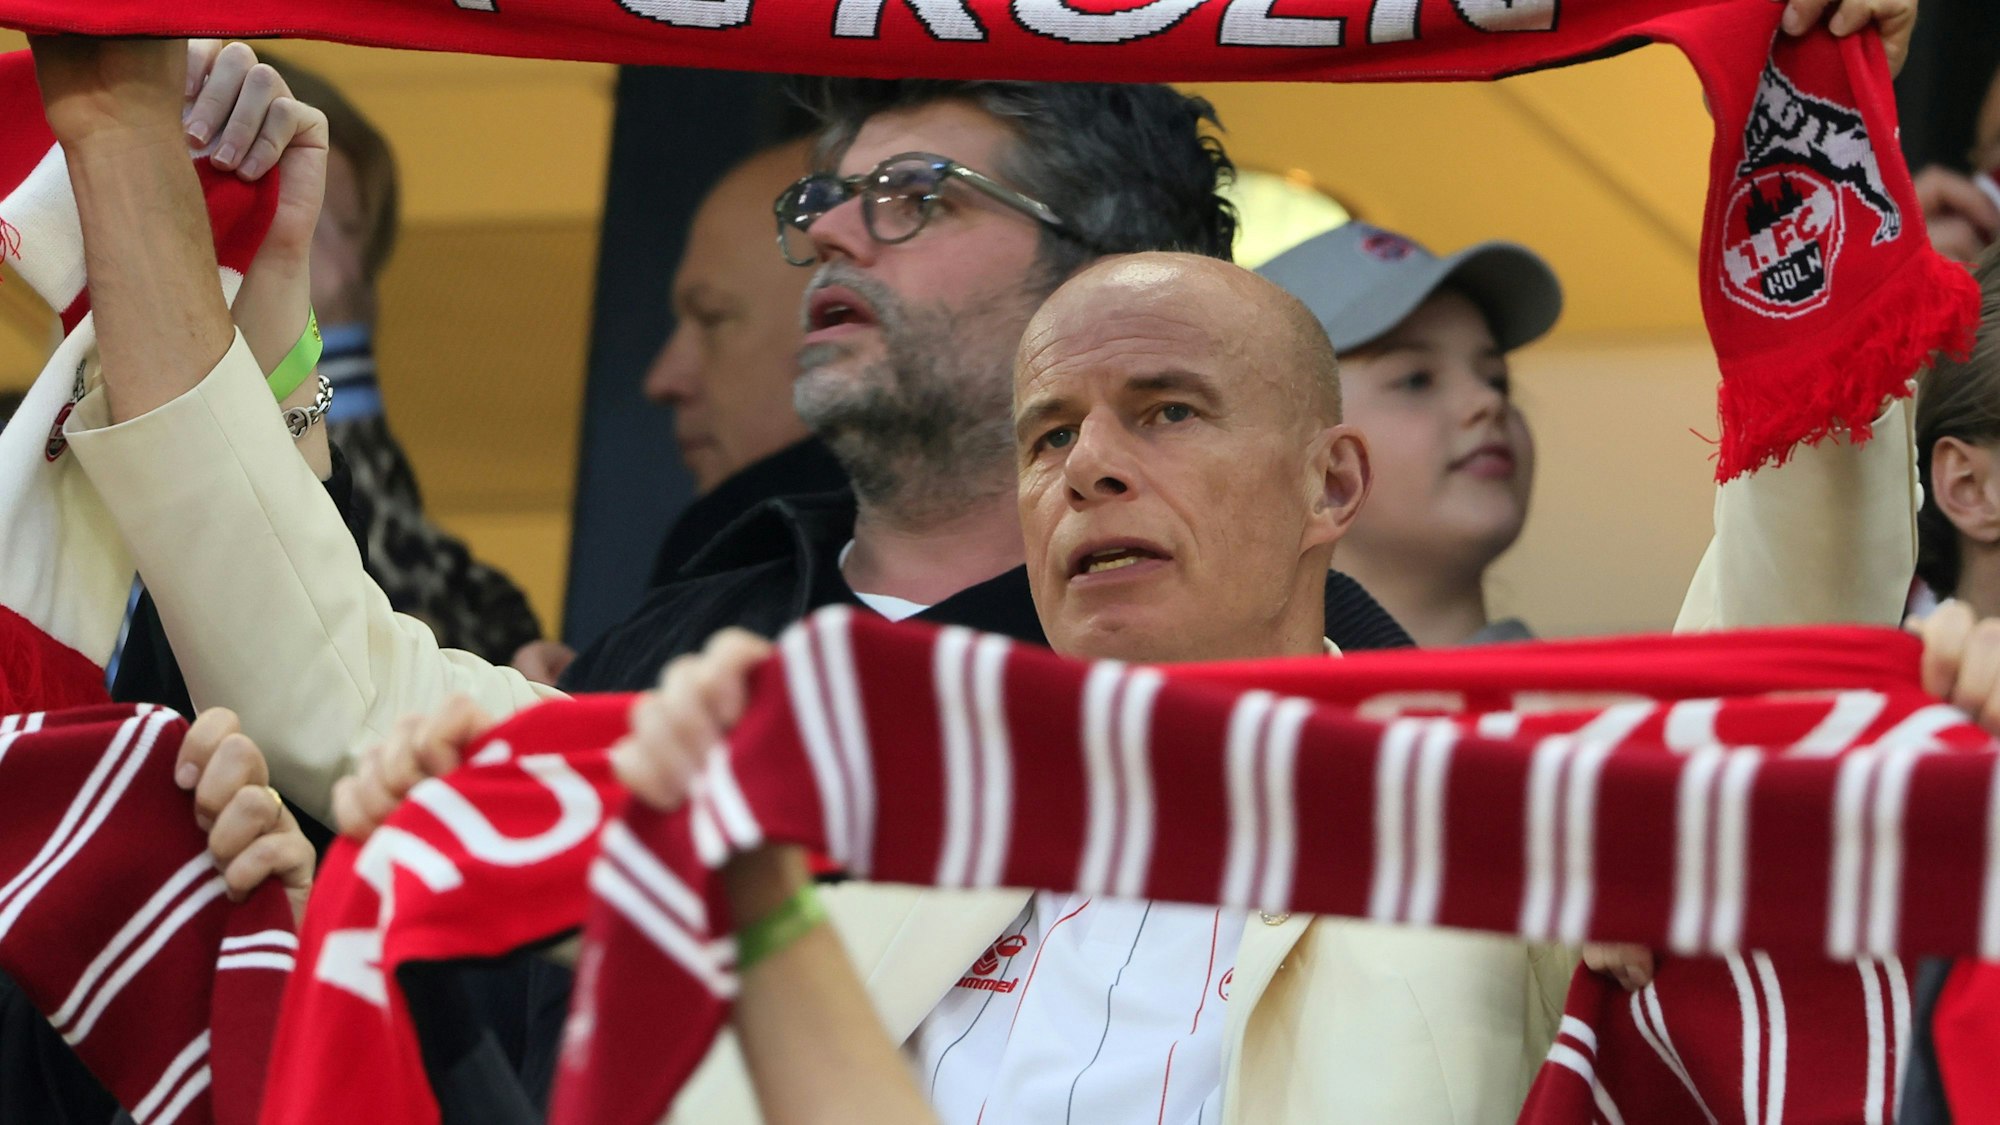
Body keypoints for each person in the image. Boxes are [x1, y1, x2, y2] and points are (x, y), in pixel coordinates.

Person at [254, 51, 548, 671]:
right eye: (289, 217)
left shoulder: (483, 607)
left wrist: (328, 356)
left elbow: (392, 621)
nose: (334, 275)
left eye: (345, 234)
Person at [1257, 222, 1557, 646]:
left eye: (1497, 379)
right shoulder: (1224, 709)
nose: (1487, 402)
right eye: (1417, 380)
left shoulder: (1599, 707)